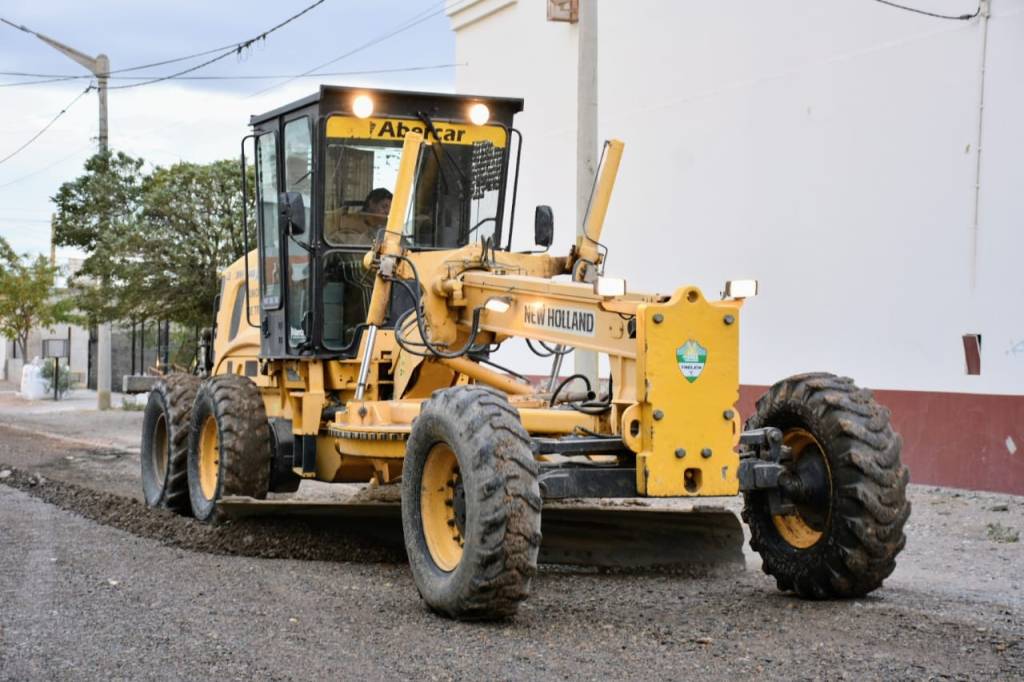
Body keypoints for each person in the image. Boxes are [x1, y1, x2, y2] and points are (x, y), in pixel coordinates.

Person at [325, 187, 393, 246]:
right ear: (372, 203)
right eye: (384, 207)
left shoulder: (388, 229)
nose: (387, 212)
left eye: (390, 208)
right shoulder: (347, 222)